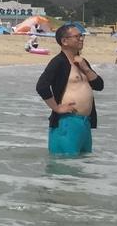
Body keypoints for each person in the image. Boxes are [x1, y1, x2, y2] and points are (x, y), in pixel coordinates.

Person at [36, 23, 103, 156]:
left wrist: (86, 68)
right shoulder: (58, 62)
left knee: (82, 165)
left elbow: (99, 85)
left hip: (85, 123)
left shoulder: (82, 62)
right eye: (77, 36)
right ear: (64, 41)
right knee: (65, 164)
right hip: (67, 122)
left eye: (82, 36)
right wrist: (56, 108)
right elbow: (42, 86)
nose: (81, 39)